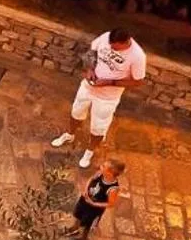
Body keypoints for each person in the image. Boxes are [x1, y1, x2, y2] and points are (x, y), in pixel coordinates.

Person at [51, 29, 147, 170]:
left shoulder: (138, 56)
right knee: (76, 112)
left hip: (107, 98)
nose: (111, 48)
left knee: (98, 127)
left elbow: (138, 81)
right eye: (110, 45)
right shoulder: (106, 37)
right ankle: (69, 135)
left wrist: (109, 82)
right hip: (88, 87)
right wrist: (89, 69)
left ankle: (89, 152)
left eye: (115, 47)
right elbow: (92, 51)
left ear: (126, 42)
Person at [70, 159, 126, 240]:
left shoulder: (112, 189)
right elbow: (91, 179)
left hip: (93, 210)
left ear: (110, 173)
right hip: (85, 200)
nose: (101, 167)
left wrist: (93, 203)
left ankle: (81, 239)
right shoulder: (100, 173)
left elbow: (110, 204)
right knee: (78, 214)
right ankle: (75, 227)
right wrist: (86, 189)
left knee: (86, 225)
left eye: (104, 166)